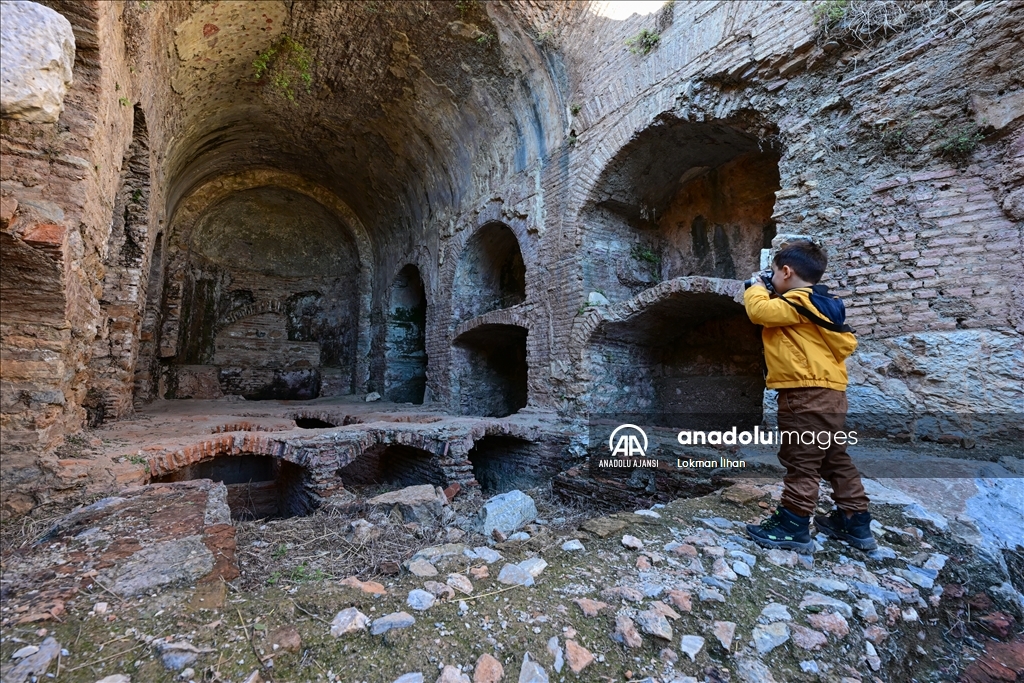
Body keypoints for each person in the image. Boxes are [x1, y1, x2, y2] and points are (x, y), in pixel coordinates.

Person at [743, 239, 876, 553]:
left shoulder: (797, 302)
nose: (772, 279)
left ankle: (794, 524)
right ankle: (854, 520)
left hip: (804, 394)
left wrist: (755, 285)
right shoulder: (821, 303)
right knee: (833, 458)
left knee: (801, 460)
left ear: (786, 272)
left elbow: (758, 311)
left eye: (774, 274)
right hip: (831, 393)